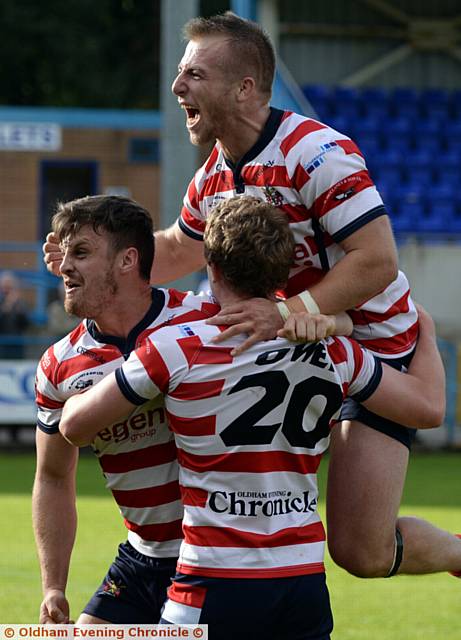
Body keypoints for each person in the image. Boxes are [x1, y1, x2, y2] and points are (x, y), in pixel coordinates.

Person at [43, 12, 461, 580]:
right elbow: (173, 251)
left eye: (194, 73)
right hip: (290, 345)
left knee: (361, 553)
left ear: (243, 89)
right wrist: (86, 259)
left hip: (371, 349)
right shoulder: (211, 178)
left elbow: (378, 259)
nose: (177, 86)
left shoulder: (316, 151)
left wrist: (291, 313)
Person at [59, 197, 445, 640]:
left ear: (212, 265)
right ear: (283, 272)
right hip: (301, 580)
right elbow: (427, 408)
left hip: (215, 579)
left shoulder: (176, 347)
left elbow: (75, 426)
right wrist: (423, 331)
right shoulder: (332, 348)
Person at [33, 194, 224, 624]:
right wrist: (54, 585)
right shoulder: (58, 365)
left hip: (216, 557)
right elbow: (52, 475)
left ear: (127, 260)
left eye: (80, 253)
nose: (64, 267)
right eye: (65, 254)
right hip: (141, 557)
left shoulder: (206, 318)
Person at [0, 270, 30, 359]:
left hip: (17, 343)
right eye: (5, 286)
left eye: (10, 287)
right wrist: (7, 306)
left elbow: (25, 324)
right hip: (2, 343)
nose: (7, 290)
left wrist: (19, 310)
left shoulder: (19, 303)